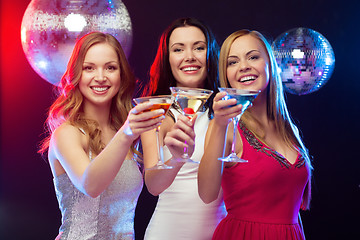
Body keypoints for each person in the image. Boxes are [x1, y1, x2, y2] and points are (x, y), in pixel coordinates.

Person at [39, 32, 166, 240]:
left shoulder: (124, 131)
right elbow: (91, 185)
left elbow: (156, 187)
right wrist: (126, 134)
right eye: (89, 68)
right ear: (76, 74)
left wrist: (178, 155)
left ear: (121, 75)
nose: (100, 77)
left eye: (110, 68)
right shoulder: (67, 134)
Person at [197, 29, 312, 240]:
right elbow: (206, 193)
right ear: (227, 75)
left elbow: (293, 207)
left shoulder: (290, 130)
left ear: (269, 64)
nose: (243, 66)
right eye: (232, 62)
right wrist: (220, 126)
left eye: (253, 57)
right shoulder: (226, 127)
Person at [140, 18, 226, 240]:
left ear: (211, 55)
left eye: (199, 47)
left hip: (223, 232)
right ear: (167, 59)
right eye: (178, 49)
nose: (190, 56)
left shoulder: (226, 110)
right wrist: (177, 159)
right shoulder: (154, 112)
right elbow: (153, 185)